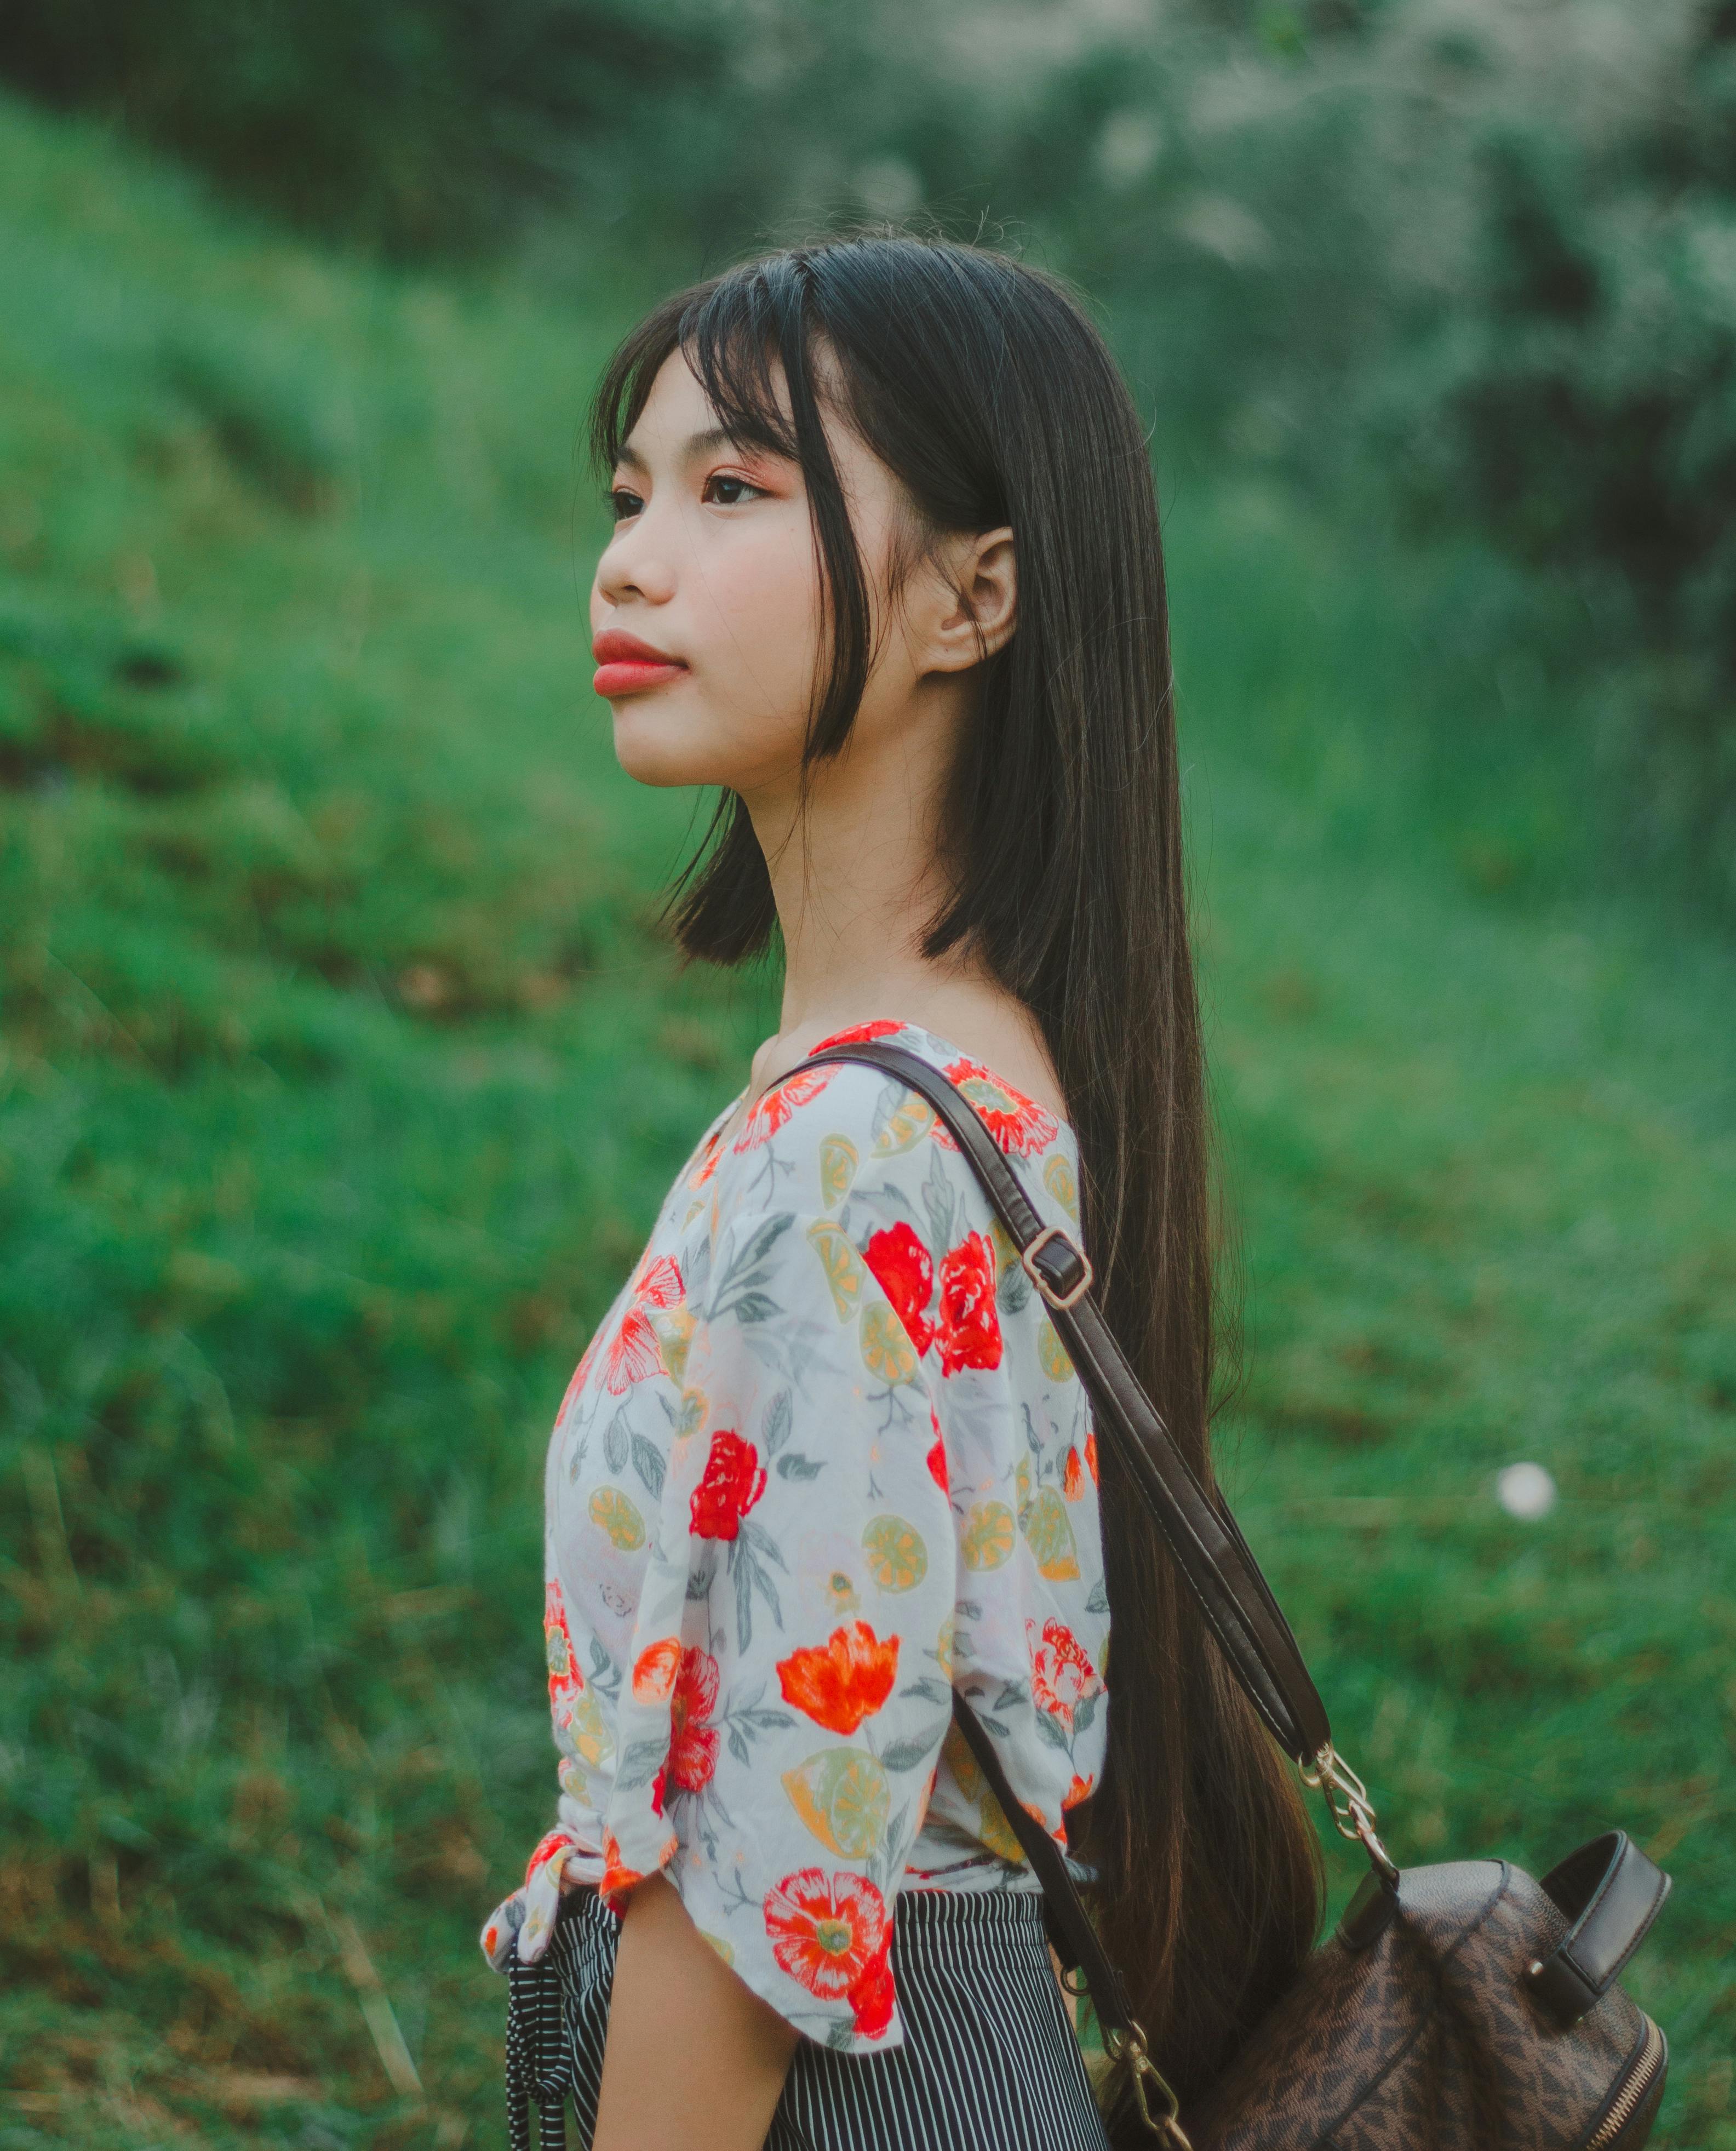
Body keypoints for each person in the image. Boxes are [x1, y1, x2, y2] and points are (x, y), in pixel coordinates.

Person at [479, 239, 1321, 2150]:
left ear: (972, 593)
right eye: (632, 496)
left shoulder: (858, 1156)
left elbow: (760, 1879)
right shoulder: (951, 1087)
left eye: (735, 491)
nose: (628, 560)